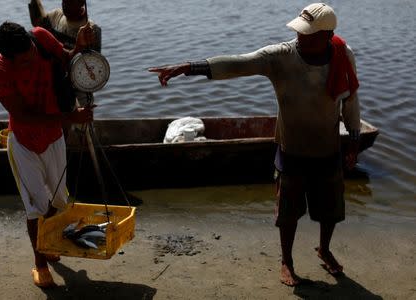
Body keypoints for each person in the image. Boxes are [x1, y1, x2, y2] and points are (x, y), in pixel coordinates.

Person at [149, 3, 361, 286]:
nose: (299, 37)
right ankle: (287, 260)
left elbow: (351, 100)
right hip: (292, 150)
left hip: (328, 149)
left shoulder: (342, 56)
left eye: (307, 34)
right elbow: (238, 63)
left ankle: (324, 249)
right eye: (298, 31)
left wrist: (355, 139)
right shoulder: (280, 57)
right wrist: (188, 67)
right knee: (287, 214)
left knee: (330, 210)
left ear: (327, 35)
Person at [0, 21, 95, 288]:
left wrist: (80, 46)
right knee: (35, 207)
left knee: (59, 200)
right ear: (8, 59)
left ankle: (49, 243)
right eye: (24, 62)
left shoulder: (40, 38)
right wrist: (71, 117)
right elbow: (23, 116)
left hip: (54, 137)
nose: (32, 60)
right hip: (24, 142)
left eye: (32, 53)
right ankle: (40, 263)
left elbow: (67, 60)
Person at [29, 0, 102, 107]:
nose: (65, 4)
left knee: (81, 120)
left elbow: (94, 66)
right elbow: (37, 23)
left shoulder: (92, 30)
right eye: (64, 1)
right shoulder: (56, 16)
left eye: (70, 2)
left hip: (80, 88)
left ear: (82, 3)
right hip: (54, 85)